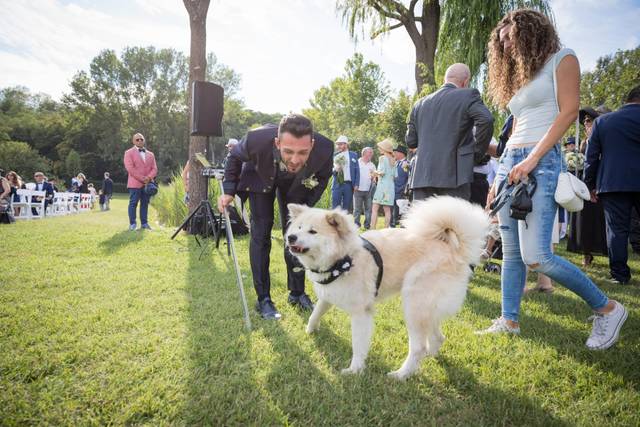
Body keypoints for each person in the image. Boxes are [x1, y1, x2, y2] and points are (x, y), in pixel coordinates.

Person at [479, 9, 626, 351]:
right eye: (502, 43)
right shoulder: (520, 74)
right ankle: (509, 320)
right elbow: (517, 124)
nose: (507, 47)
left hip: (541, 160)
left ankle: (608, 309)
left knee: (538, 255)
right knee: (512, 251)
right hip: (511, 162)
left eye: (510, 39)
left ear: (531, 32)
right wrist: (499, 174)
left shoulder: (563, 58)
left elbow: (569, 112)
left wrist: (531, 160)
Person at [217, 114, 333, 320]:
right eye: (288, 151)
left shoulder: (325, 148)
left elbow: (322, 179)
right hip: (260, 178)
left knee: (298, 235)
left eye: (303, 152)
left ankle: (297, 293)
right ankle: (264, 299)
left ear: (312, 144)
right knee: (261, 235)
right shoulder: (256, 139)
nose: (295, 159)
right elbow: (234, 157)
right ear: (277, 142)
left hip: (296, 187)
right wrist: (228, 191)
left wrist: (306, 208)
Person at [406, 63, 494, 201]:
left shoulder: (419, 104)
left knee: (424, 222)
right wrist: (475, 153)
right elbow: (486, 120)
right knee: (453, 222)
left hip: (422, 177)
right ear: (465, 82)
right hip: (455, 175)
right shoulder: (468, 95)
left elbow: (411, 141)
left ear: (444, 80)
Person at [585, 85, 640, 285]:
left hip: (612, 182)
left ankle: (620, 275)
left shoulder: (603, 122)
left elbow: (591, 158)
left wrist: (589, 184)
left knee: (617, 230)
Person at [566, 107, 608, 266]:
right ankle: (586, 253)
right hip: (583, 185)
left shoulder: (604, 140)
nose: (586, 124)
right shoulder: (583, 142)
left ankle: (605, 250)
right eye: (585, 122)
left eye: (589, 121)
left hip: (599, 184)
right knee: (582, 221)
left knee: (599, 221)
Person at [124, 132, 158, 231]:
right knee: (133, 203)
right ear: (133, 141)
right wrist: (143, 179)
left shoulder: (151, 154)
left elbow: (154, 169)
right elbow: (130, 168)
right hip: (134, 184)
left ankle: (144, 224)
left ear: (144, 140)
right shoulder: (128, 153)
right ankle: (132, 224)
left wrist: (149, 178)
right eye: (137, 139)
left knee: (145, 204)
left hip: (147, 185)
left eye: (141, 139)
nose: (140, 141)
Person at [370, 138, 397, 229]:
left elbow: (382, 172)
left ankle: (372, 228)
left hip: (382, 187)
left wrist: (374, 172)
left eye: (380, 147)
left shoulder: (382, 158)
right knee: (387, 210)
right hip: (390, 187)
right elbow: (395, 176)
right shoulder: (393, 160)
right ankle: (386, 229)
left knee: (374, 208)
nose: (379, 149)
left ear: (384, 148)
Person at [331, 135, 359, 213]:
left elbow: (357, 170)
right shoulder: (335, 155)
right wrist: (335, 169)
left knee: (346, 207)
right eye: (338, 144)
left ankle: (343, 224)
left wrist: (356, 184)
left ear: (346, 144)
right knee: (335, 206)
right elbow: (330, 170)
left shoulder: (354, 155)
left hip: (348, 185)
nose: (338, 146)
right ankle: (333, 224)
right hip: (337, 184)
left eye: (340, 144)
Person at [353, 147, 376, 229]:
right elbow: (353, 175)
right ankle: (356, 225)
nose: (371, 154)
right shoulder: (357, 162)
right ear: (364, 153)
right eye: (370, 152)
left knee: (368, 209)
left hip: (368, 190)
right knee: (357, 209)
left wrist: (374, 178)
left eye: (372, 152)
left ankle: (367, 225)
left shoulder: (372, 165)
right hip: (357, 190)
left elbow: (374, 177)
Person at [390, 145, 410, 227]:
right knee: (393, 210)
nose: (394, 154)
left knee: (402, 211)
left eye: (396, 152)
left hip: (401, 191)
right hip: (393, 190)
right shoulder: (395, 163)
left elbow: (408, 177)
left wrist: (404, 189)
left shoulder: (406, 163)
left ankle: (403, 227)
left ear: (401, 153)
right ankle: (392, 225)